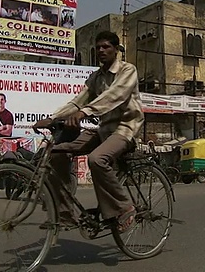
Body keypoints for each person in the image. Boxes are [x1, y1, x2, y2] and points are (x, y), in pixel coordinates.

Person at [33, 31, 143, 232]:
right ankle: (64, 214)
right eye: (98, 47)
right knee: (56, 153)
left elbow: (114, 96)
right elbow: (78, 100)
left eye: (106, 47)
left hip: (125, 128)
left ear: (116, 50)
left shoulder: (128, 70)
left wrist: (85, 112)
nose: (101, 50)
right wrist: (53, 117)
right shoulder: (96, 77)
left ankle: (124, 207)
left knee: (96, 159)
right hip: (103, 129)